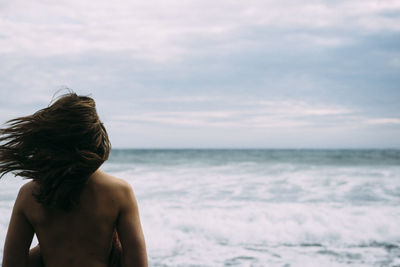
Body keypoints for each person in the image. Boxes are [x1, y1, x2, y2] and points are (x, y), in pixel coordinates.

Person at [0, 92, 147, 267]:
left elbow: (12, 264)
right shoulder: (119, 192)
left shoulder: (29, 194)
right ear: (95, 139)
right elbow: (137, 264)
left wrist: (47, 248)